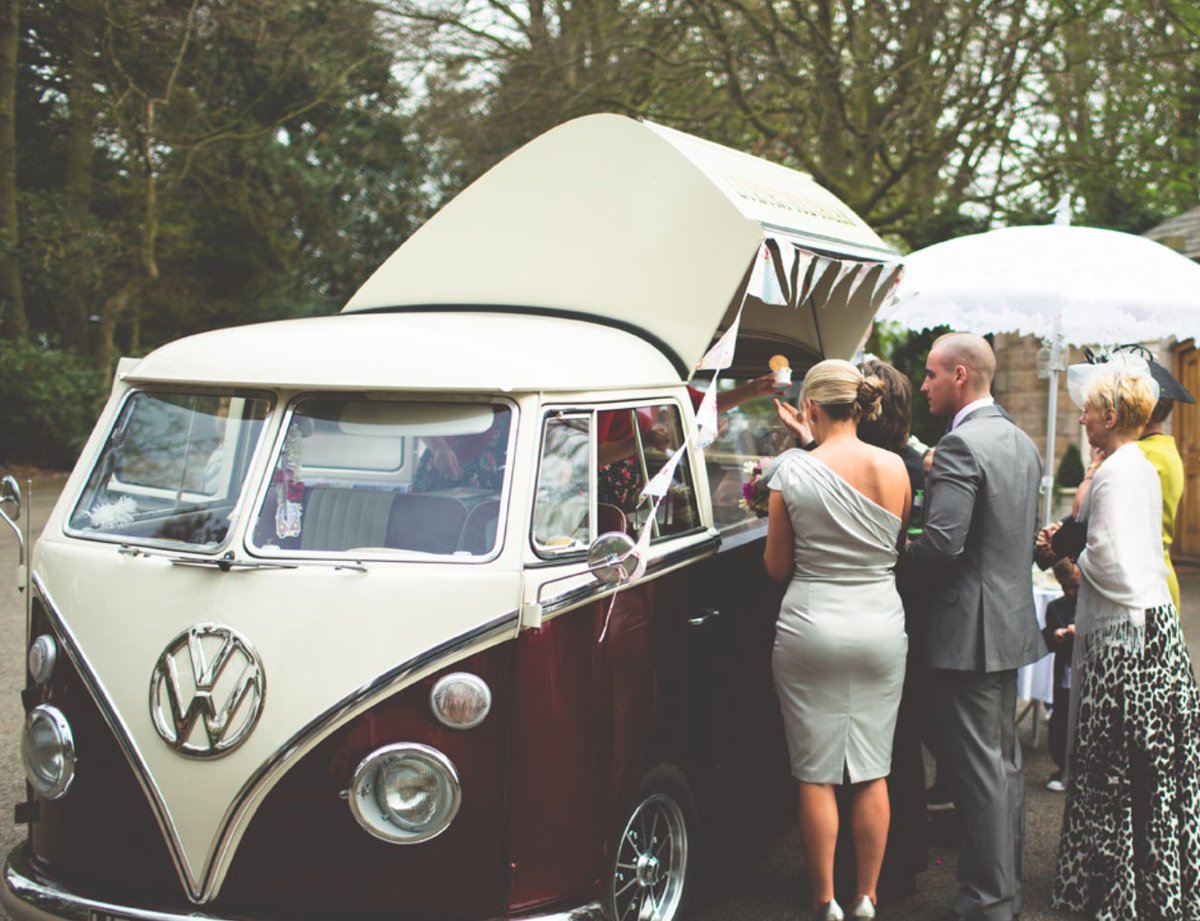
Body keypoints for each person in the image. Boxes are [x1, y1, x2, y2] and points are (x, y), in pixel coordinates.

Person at [1051, 362, 1200, 919]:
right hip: (1149, 630)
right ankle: (1147, 885)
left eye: (1088, 409)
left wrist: (1070, 552)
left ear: (1111, 416)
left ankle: (1118, 894)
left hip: (1127, 646)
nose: (1082, 416)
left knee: (1114, 770)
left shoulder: (1117, 470)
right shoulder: (1133, 463)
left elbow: (1111, 563)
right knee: (1143, 770)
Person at [763, 359, 911, 921]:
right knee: (874, 769)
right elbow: (894, 549)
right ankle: (867, 897)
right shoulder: (895, 466)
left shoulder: (791, 471)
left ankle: (824, 900)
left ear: (810, 409)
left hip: (812, 626)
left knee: (815, 771)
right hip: (878, 623)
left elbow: (777, 567)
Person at [903, 332, 1043, 921]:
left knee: (980, 771)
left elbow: (942, 545)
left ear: (961, 375)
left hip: (968, 634)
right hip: (1007, 625)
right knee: (1003, 766)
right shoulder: (1021, 441)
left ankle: (987, 901)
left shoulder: (961, 445)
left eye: (932, 374)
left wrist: (887, 558)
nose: (925, 385)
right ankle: (1001, 890)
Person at [1042, 557, 1079, 793]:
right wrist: (1056, 634)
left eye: (1076, 586)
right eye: (1067, 587)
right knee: (1061, 718)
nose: (1072, 592)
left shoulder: (1092, 605)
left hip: (1086, 672)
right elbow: (1046, 635)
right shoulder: (1056, 608)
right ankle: (1061, 764)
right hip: (1065, 672)